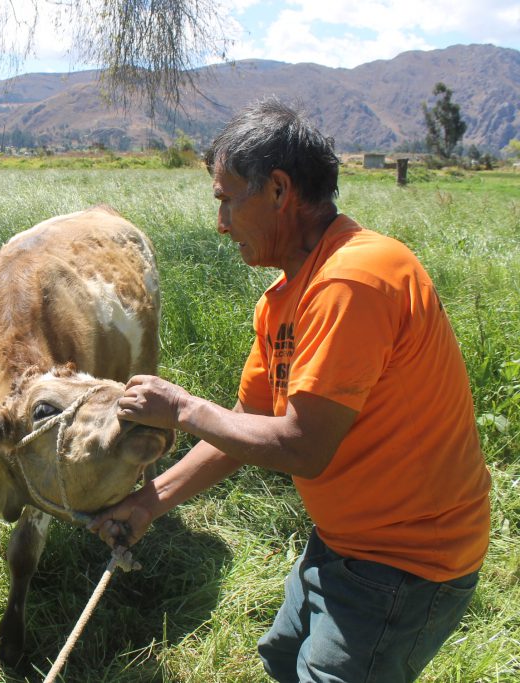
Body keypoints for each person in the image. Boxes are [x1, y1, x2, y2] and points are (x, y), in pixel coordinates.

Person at [90, 99, 491, 683]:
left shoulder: (354, 278)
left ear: (279, 190)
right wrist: (149, 502)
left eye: (227, 200)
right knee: (283, 658)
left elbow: (302, 446)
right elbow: (247, 424)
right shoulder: (284, 299)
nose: (221, 223)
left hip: (408, 561)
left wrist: (179, 408)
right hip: (344, 543)